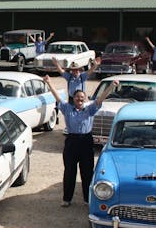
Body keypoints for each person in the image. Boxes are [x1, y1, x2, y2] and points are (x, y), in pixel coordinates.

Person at [45, 74, 117, 206]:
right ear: (73, 98)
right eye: (78, 97)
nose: (80, 99)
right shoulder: (67, 108)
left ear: (85, 99)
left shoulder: (89, 110)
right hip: (71, 141)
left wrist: (111, 86)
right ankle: (67, 199)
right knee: (69, 171)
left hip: (86, 141)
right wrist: (49, 83)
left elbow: (100, 99)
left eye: (82, 98)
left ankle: (87, 199)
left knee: (87, 172)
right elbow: (57, 97)